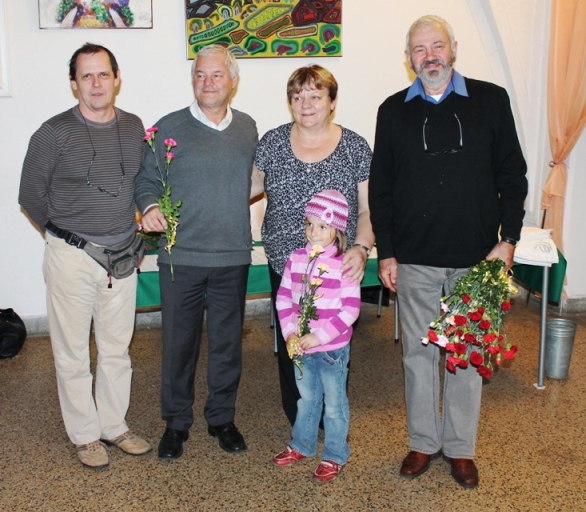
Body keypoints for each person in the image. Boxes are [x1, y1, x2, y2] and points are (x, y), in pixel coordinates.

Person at [369, 15, 528, 489]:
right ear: (408, 58)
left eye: (437, 45)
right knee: (417, 357)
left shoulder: (491, 100)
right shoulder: (392, 111)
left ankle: (460, 448)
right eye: (420, 49)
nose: (430, 56)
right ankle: (423, 441)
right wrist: (387, 253)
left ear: (453, 48)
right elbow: (381, 189)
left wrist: (508, 239)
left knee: (468, 355)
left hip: (477, 260)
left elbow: (512, 175)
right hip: (414, 258)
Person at [19, 43, 151, 468]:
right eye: (86, 76)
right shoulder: (52, 133)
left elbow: (140, 183)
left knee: (116, 349)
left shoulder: (133, 127)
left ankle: (113, 425)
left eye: (103, 74)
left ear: (117, 78)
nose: (96, 83)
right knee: (72, 352)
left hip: (122, 256)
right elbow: (30, 196)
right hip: (71, 256)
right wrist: (65, 239)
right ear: (73, 83)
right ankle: (85, 435)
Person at [135, 44, 258, 461]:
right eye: (200, 75)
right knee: (178, 344)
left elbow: (252, 181)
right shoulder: (168, 127)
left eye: (216, 75)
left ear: (233, 81)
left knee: (227, 344)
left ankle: (222, 418)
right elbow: (146, 180)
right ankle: (176, 423)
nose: (207, 82)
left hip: (232, 256)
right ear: (192, 80)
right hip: (181, 257)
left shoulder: (248, 128)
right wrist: (150, 206)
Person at [251, 65, 374, 427]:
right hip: (287, 267)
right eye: (297, 96)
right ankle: (299, 418)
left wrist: (362, 248)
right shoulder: (272, 143)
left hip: (336, 270)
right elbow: (243, 188)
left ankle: (329, 416)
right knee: (292, 341)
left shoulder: (354, 147)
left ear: (332, 102)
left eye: (315, 96)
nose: (305, 104)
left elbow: (368, 209)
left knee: (331, 344)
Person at [273, 190, 361, 483]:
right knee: (307, 399)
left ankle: (335, 453)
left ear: (338, 230)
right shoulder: (296, 259)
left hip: (332, 349)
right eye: (309, 224)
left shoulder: (344, 263)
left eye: (323, 226)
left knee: (334, 405)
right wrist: (290, 333)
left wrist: (319, 337)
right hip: (302, 347)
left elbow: (350, 310)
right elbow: (283, 299)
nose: (313, 232)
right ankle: (303, 444)